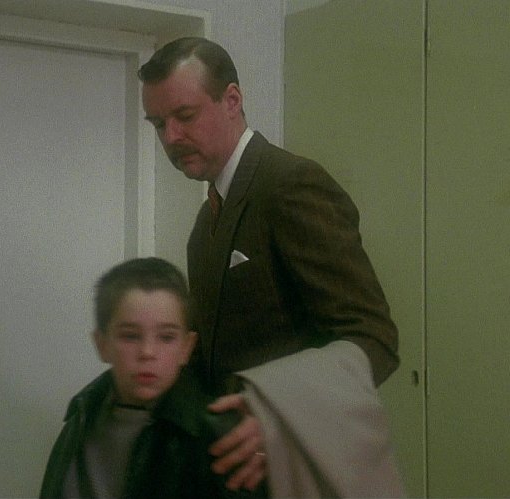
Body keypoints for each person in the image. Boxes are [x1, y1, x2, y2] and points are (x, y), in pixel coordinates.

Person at [138, 38, 404, 497]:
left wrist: (276, 415)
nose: (171, 138)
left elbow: (374, 338)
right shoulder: (205, 224)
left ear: (232, 101)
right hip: (236, 476)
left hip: (299, 468)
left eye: (185, 116)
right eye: (159, 124)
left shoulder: (291, 185)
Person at [40, 257, 267, 499]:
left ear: (186, 348)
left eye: (166, 337)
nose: (147, 352)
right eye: (130, 336)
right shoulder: (81, 417)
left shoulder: (218, 435)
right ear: (102, 344)